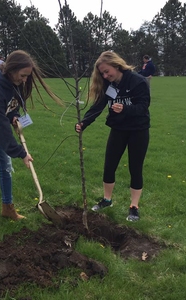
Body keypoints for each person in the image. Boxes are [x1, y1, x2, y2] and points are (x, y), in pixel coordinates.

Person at [0, 50, 62, 237]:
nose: (25, 80)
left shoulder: (15, 84)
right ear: (12, 70)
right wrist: (21, 152)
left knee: (6, 167)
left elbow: (11, 107)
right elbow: (2, 129)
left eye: (27, 76)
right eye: (23, 75)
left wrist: (15, 116)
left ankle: (8, 208)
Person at [75, 51, 150, 222]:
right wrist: (83, 123)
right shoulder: (110, 87)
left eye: (107, 71)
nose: (105, 75)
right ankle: (107, 200)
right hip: (118, 129)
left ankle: (134, 207)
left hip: (138, 130)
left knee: (135, 168)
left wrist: (125, 108)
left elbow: (143, 107)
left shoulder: (138, 81)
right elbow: (98, 106)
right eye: (102, 73)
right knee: (109, 165)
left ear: (117, 66)